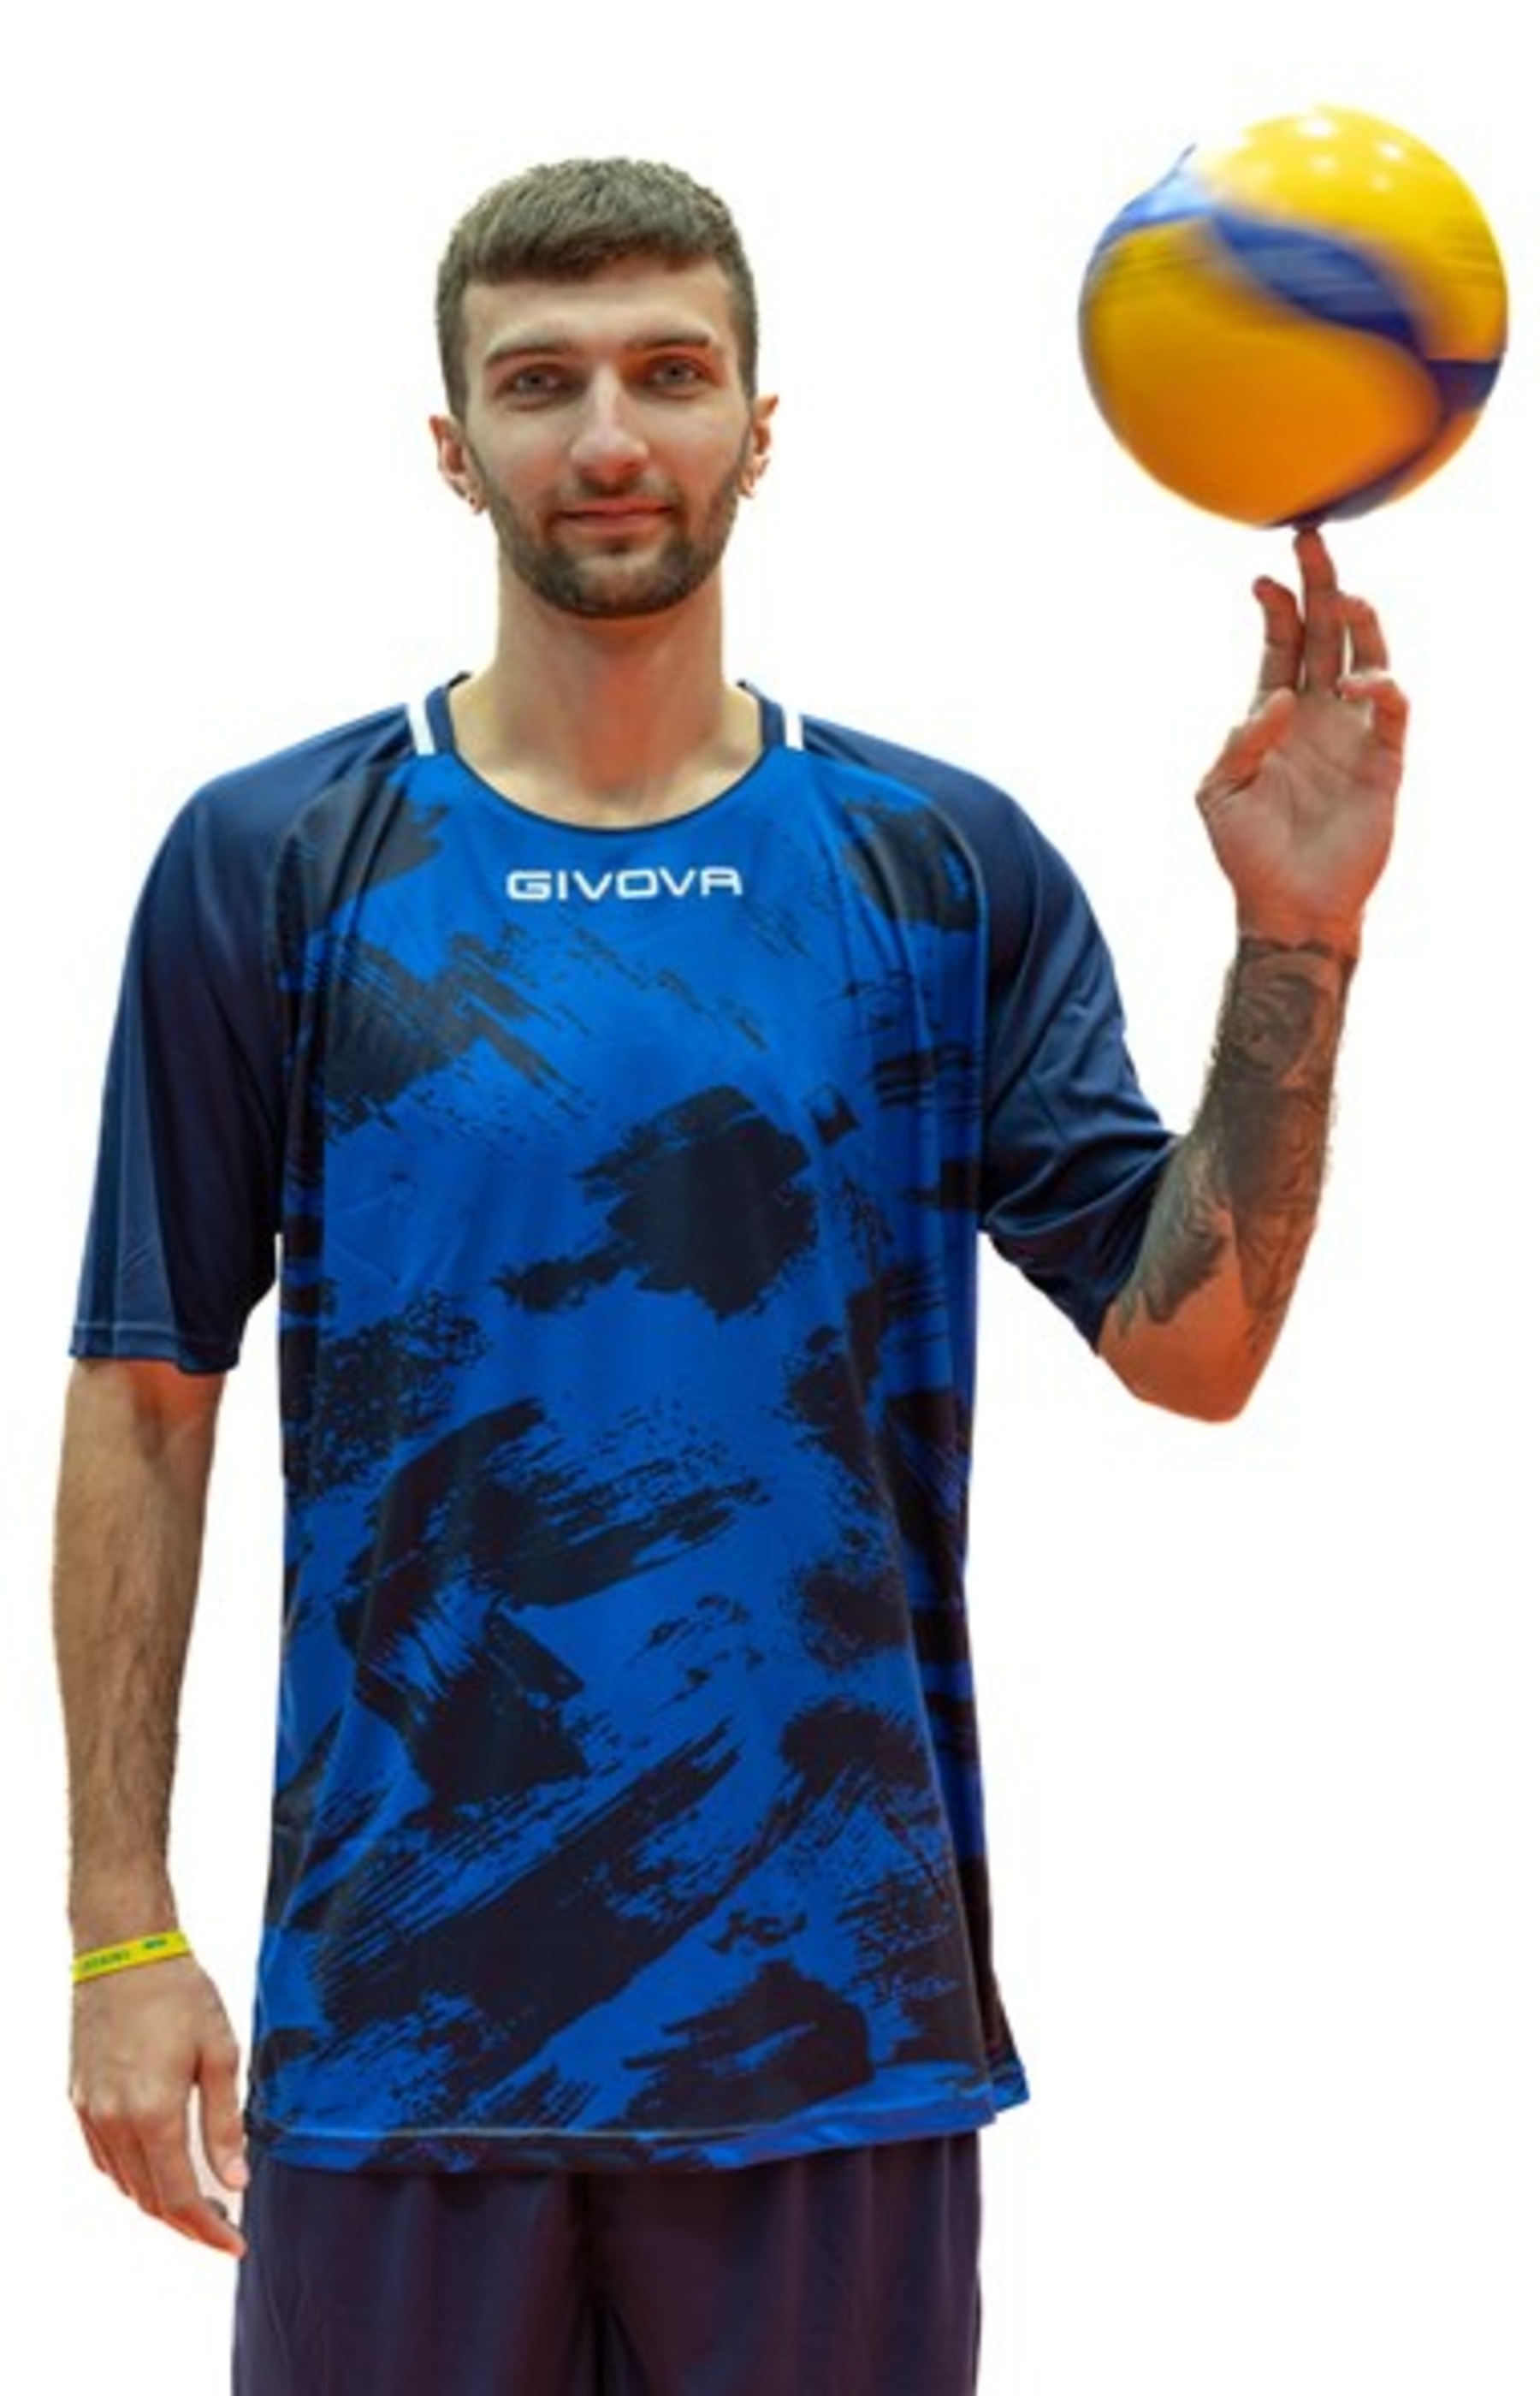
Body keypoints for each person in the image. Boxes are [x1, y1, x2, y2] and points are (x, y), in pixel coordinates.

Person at [54, 157, 1405, 2395]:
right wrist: (123, 1934)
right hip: (401, 2029)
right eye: (542, 383)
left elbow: (1198, 1346)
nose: (610, 437)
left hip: (827, 2027)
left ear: (759, 427)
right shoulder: (273, 861)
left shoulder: (932, 866)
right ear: (452, 443)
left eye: (670, 374)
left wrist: (1299, 937)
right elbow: (142, 1393)